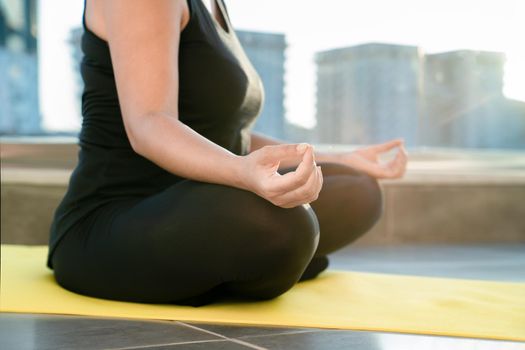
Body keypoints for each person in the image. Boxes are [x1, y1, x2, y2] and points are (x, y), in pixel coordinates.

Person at [47, 0, 408, 307]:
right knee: (285, 225)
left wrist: (339, 159)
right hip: (114, 222)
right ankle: (266, 260)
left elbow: (233, 137)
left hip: (200, 204)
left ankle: (255, 264)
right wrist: (241, 172)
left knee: (357, 190)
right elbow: (148, 124)